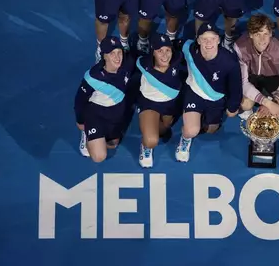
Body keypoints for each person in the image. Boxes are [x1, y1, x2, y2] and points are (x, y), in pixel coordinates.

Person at [176, 23, 242, 162]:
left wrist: (232, 107)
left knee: (211, 129)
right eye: (204, 39)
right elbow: (169, 48)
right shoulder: (188, 48)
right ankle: (185, 140)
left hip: (216, 98)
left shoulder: (229, 62)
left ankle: (200, 119)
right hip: (194, 93)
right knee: (191, 130)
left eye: (212, 39)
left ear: (218, 40)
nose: (208, 43)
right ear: (198, 40)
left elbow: (235, 88)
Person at [74, 36, 137, 163]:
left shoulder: (128, 64)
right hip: (96, 115)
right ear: (104, 56)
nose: (117, 57)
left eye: (119, 52)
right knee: (99, 156)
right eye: (112, 53)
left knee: (113, 144)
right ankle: (87, 134)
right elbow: (79, 101)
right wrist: (80, 121)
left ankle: (99, 137)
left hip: (116, 114)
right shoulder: (93, 77)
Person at [233, 14, 279, 120]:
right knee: (245, 105)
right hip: (251, 77)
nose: (262, 39)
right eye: (258, 34)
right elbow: (243, 82)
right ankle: (258, 106)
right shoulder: (240, 47)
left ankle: (272, 109)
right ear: (250, 35)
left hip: (273, 78)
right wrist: (267, 103)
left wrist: (274, 101)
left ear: (271, 34)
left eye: (265, 34)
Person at [135, 33, 186, 168]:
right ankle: (145, 147)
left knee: (164, 129)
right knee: (152, 140)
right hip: (149, 104)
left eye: (167, 50)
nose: (164, 55)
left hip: (170, 105)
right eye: (159, 51)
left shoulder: (177, 58)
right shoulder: (143, 63)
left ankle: (152, 127)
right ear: (152, 52)